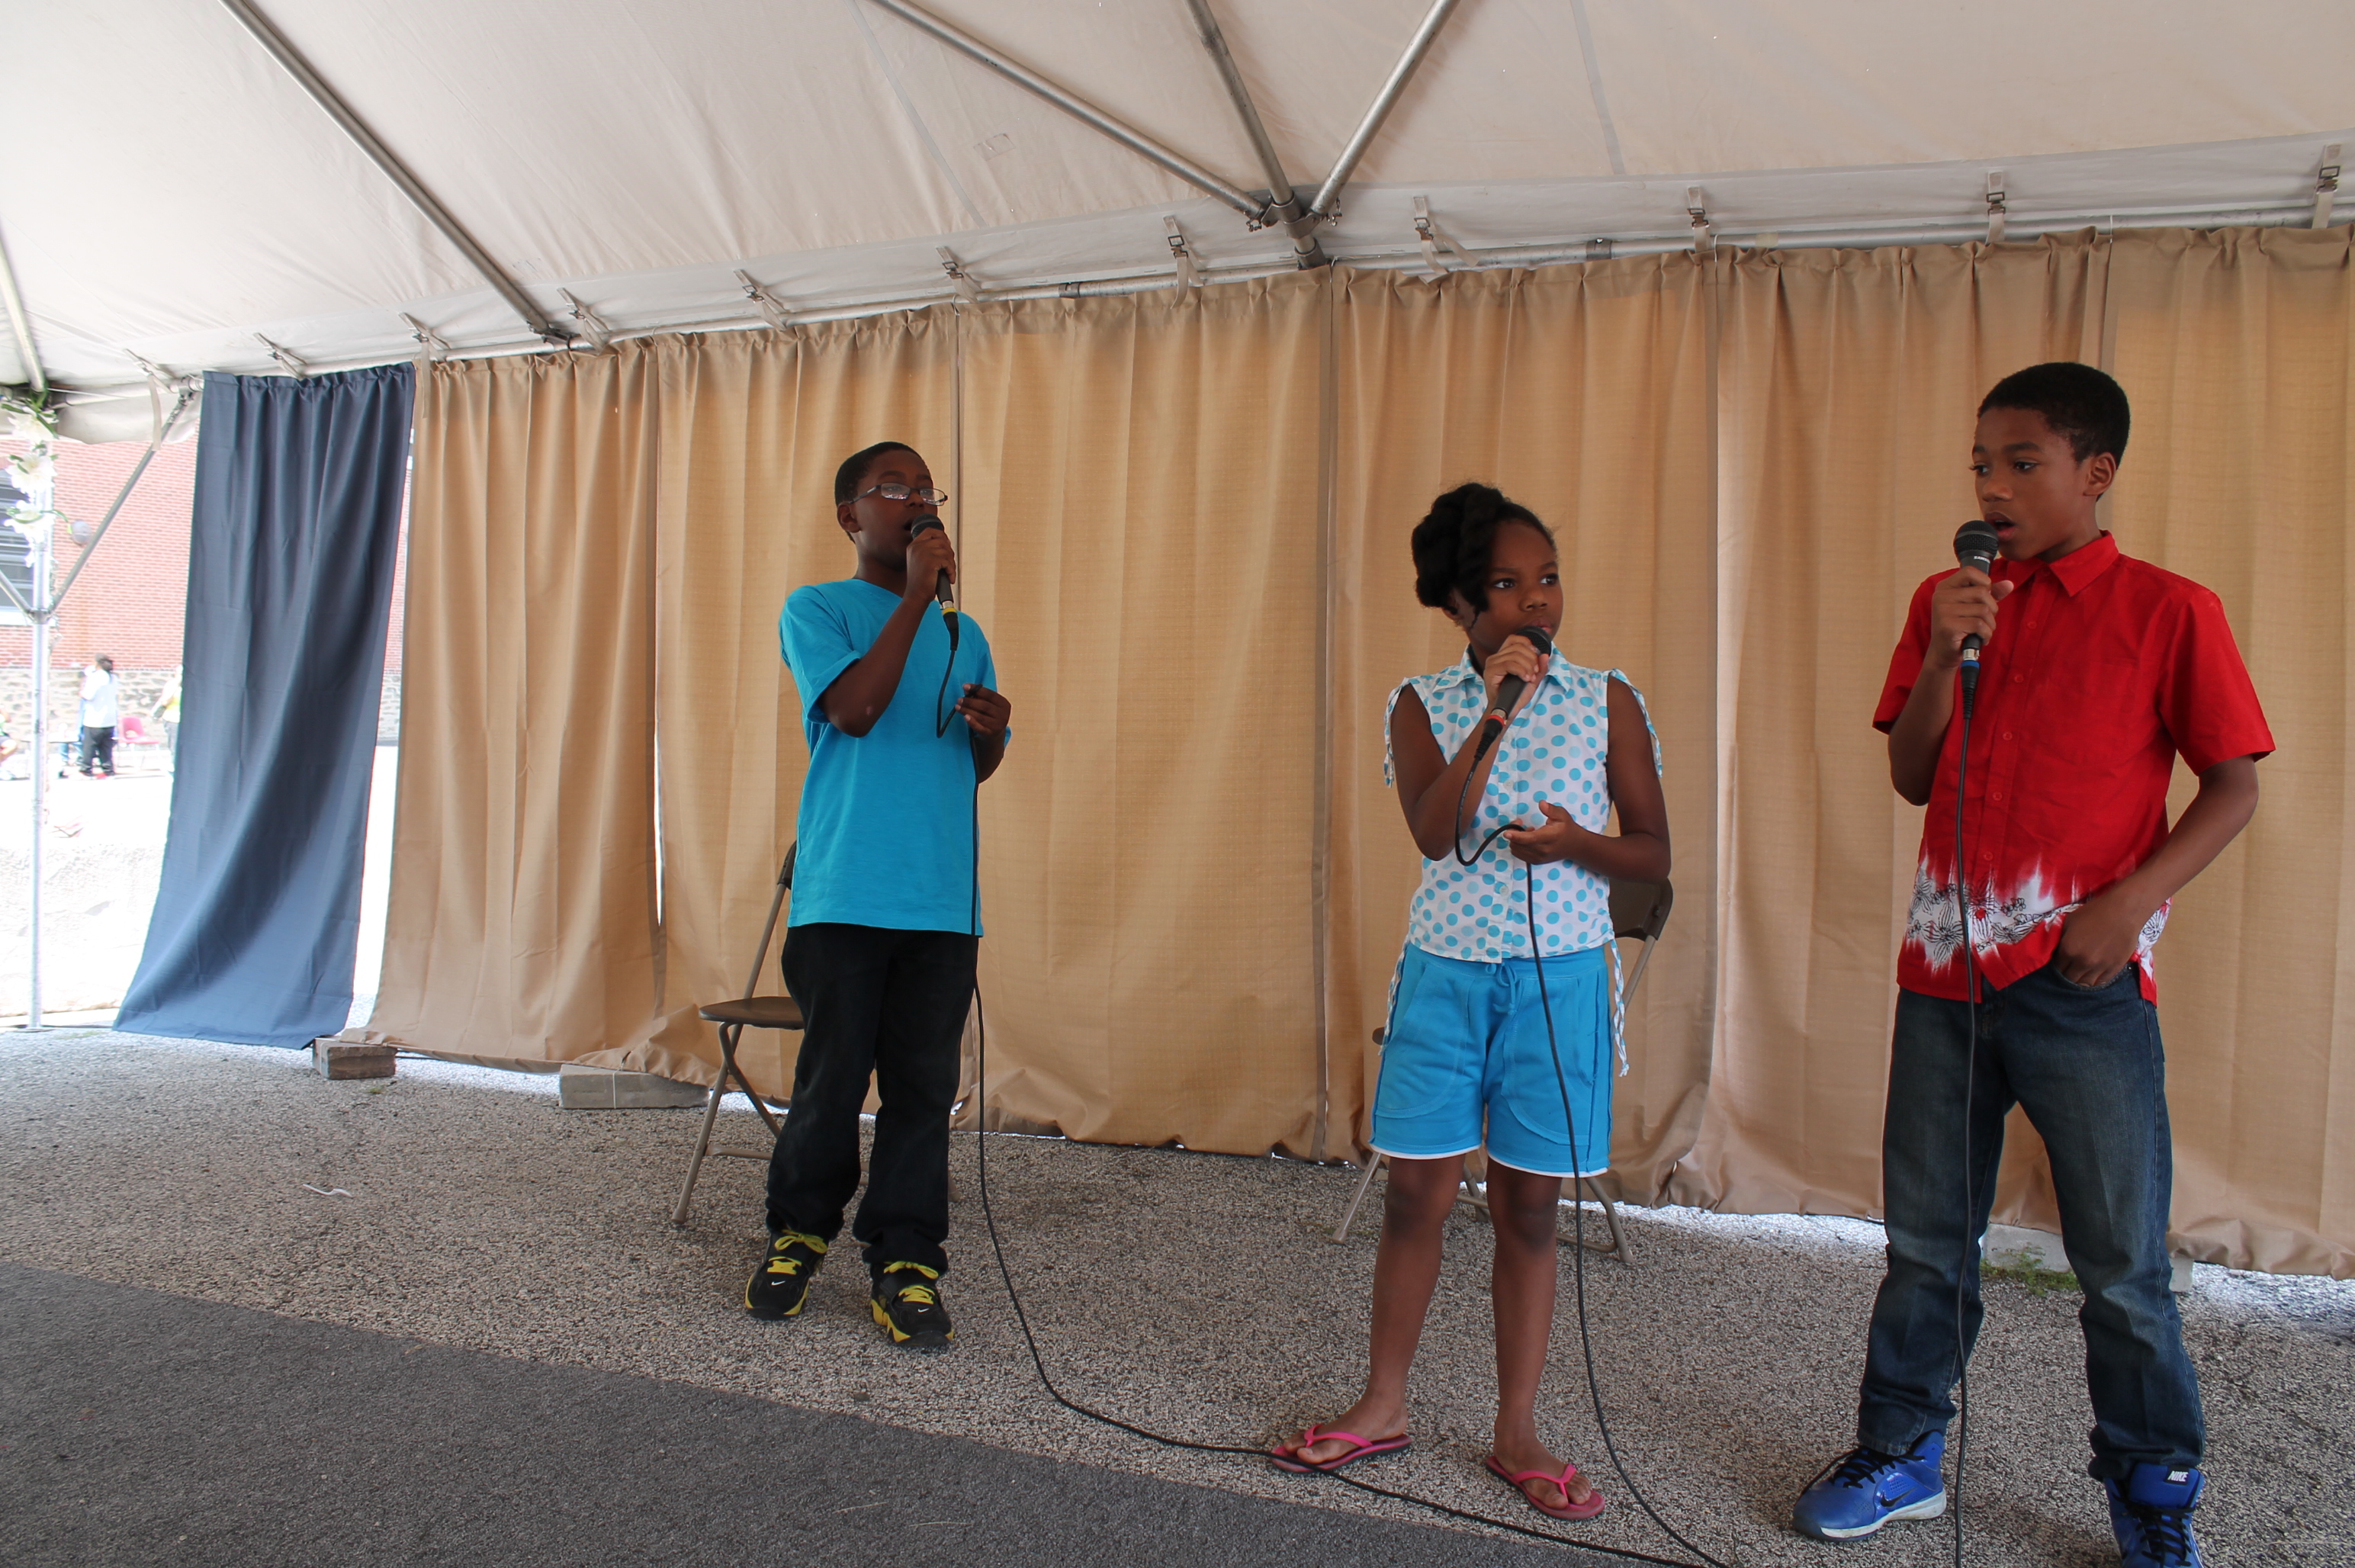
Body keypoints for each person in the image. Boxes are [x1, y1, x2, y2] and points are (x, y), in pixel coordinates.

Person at [1790, 364, 2270, 1568]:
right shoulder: (1947, 602)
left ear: (2095, 472)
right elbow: (1912, 773)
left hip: (2083, 986)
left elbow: (2234, 785)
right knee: (1926, 1241)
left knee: (2121, 1264)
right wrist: (1946, 653)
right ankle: (1901, 1451)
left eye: (2021, 463)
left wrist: (2132, 903)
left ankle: (2154, 1490)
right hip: (1943, 981)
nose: (1992, 488)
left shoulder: (2171, 611)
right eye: (1980, 466)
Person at [1271, 483, 1670, 1522]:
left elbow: (1651, 852)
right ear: (1458, 603)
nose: (1537, 601)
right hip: (1445, 976)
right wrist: (1494, 715)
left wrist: (1576, 843)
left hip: (1560, 980)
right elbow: (1435, 831)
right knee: (1416, 1195)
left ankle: (1518, 1430)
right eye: (1506, 584)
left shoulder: (1608, 699)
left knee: (1530, 1210)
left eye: (1549, 578)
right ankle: (1384, 1403)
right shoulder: (1421, 703)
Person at [743, 441, 1012, 1354]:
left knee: (921, 1091)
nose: (915, 500)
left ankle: (906, 1257)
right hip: (845, 893)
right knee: (831, 1080)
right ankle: (797, 1233)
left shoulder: (964, 631)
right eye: (891, 487)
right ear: (849, 516)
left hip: (940, 903)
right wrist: (913, 598)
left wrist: (994, 732)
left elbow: (969, 767)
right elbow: (854, 712)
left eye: (925, 488)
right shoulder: (816, 608)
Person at [77, 654, 117, 777]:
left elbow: (89, 695)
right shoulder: (114, 678)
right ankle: (108, 770)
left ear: (97, 663)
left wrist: (81, 693)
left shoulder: (95, 677)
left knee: (89, 745)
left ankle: (86, 770)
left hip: (95, 717)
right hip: (110, 717)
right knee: (106, 746)